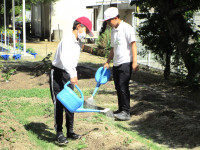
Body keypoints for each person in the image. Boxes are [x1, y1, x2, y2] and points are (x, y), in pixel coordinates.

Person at [49, 16, 93, 145]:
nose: (86, 34)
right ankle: (59, 133)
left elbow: (73, 61)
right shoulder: (67, 40)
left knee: (70, 103)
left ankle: (70, 131)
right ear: (79, 26)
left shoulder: (78, 42)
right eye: (86, 30)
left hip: (69, 74)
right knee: (59, 103)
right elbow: (64, 59)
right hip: (57, 73)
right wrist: (72, 74)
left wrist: (74, 74)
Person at [103, 7, 138, 121]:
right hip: (116, 63)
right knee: (118, 87)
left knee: (123, 87)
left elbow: (133, 44)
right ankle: (121, 109)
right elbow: (113, 48)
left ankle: (126, 112)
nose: (108, 23)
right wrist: (108, 61)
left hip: (126, 62)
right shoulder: (114, 30)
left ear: (116, 18)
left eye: (109, 21)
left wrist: (135, 62)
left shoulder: (127, 28)